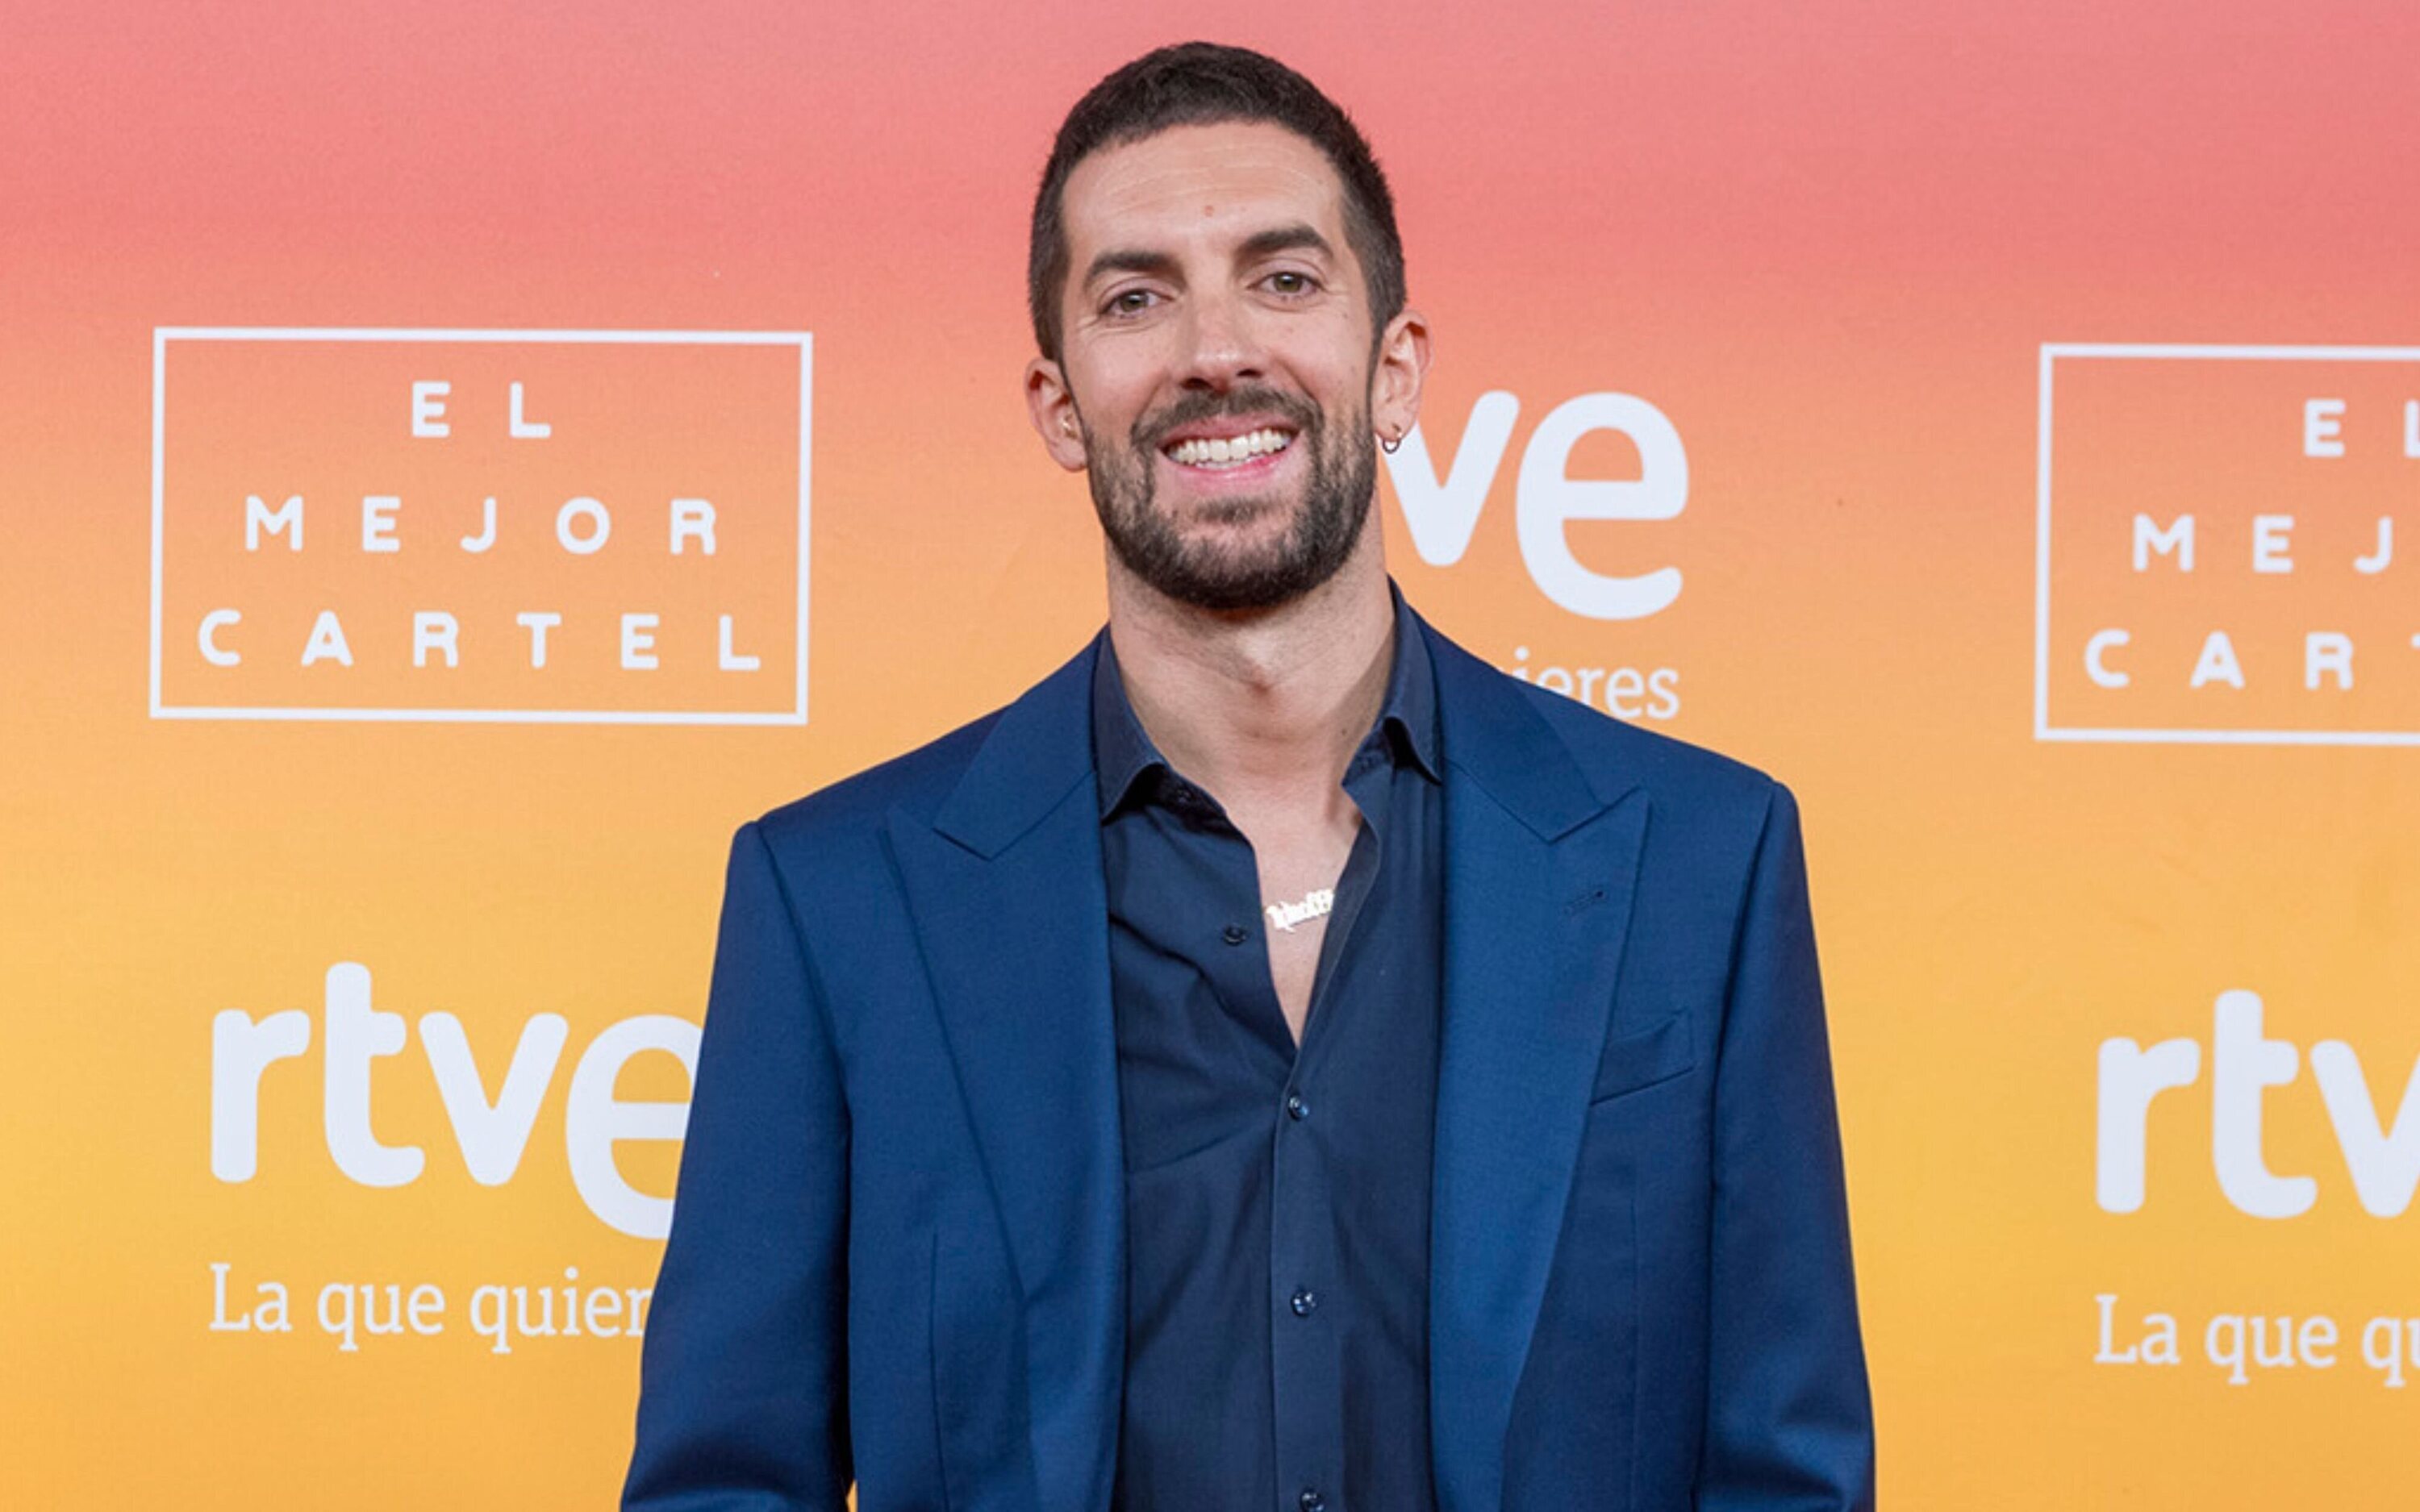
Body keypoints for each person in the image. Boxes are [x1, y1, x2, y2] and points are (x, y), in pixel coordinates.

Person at [624, 40, 1873, 1512]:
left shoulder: (1702, 861)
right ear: (1059, 405)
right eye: (1136, 298)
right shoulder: (838, 900)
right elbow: (726, 1480)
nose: (1215, 350)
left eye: (1283, 279)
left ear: (1395, 370)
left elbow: (1787, 1477)